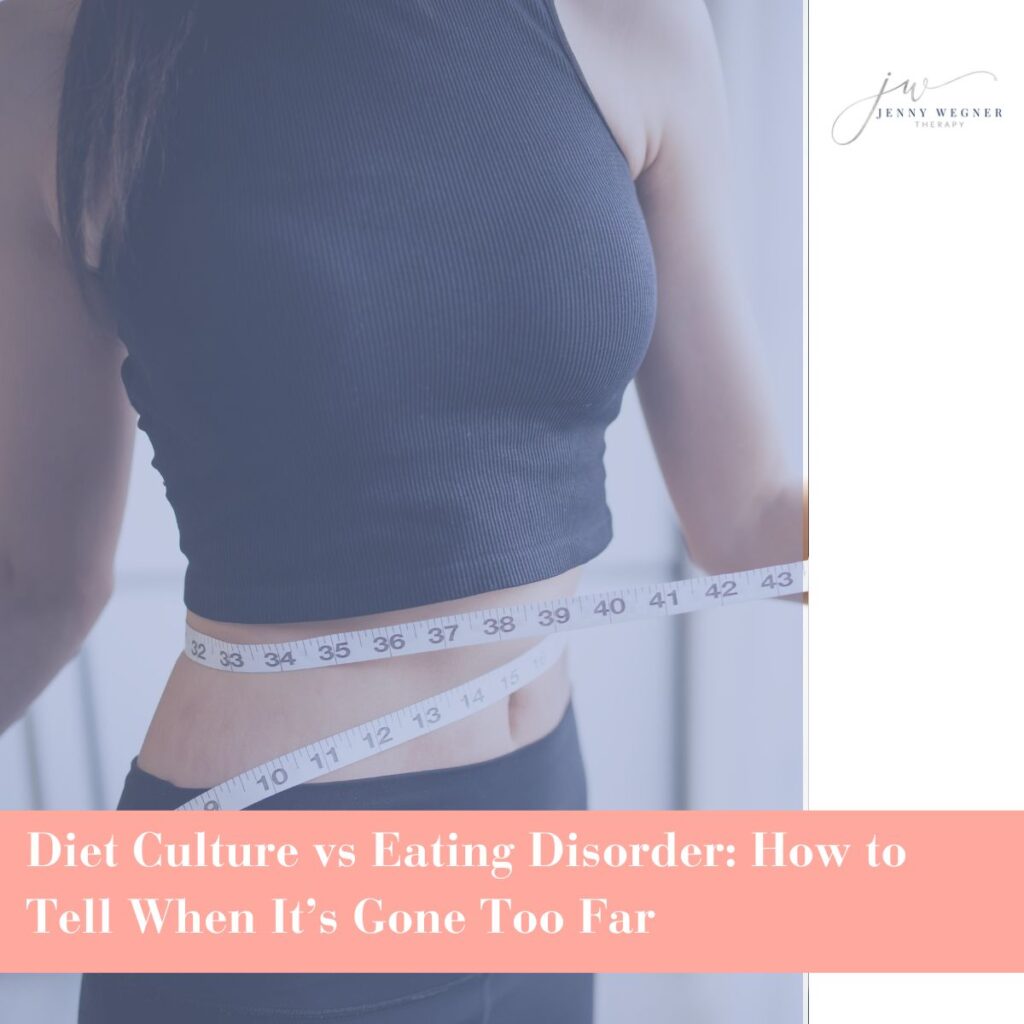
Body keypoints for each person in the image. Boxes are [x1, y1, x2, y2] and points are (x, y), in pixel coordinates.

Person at [0, 0, 807, 1020]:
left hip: (541, 838)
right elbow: (40, 584)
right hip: (261, 896)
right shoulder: (59, 50)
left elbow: (749, 516)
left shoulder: (634, 22)